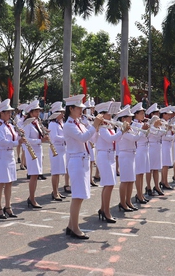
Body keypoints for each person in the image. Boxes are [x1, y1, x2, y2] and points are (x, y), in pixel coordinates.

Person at [62, 94, 102, 240]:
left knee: (80, 195)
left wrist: (97, 129)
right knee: (77, 196)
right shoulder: (68, 125)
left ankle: (70, 225)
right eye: (79, 108)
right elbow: (83, 138)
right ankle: (75, 228)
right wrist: (94, 125)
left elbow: (92, 139)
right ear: (71, 108)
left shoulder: (78, 123)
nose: (81, 111)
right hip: (76, 161)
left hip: (83, 160)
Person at [0, 99, 23, 219]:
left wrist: (20, 135)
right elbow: (2, 141)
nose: (10, 115)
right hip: (2, 155)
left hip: (9, 155)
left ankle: (8, 206)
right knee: (1, 182)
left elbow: (14, 137)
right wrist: (17, 142)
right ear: (2, 113)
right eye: (8, 113)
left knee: (9, 182)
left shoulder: (9, 125)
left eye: (10, 113)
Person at [95, 101, 121, 222]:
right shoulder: (101, 128)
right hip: (104, 155)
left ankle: (103, 209)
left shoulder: (108, 127)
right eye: (108, 114)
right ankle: (106, 211)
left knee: (109, 184)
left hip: (110, 155)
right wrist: (122, 131)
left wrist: (122, 131)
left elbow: (116, 139)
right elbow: (110, 139)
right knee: (108, 184)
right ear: (102, 115)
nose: (110, 116)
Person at [22, 99, 49, 209]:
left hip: (38, 149)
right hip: (31, 151)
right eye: (36, 111)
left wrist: (45, 132)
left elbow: (38, 134)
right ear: (31, 112)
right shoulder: (28, 124)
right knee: (33, 175)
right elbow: (27, 139)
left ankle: (32, 197)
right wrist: (41, 141)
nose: (38, 113)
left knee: (36, 175)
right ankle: (31, 198)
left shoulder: (36, 122)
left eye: (39, 111)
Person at [47, 101, 67, 201]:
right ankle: (54, 192)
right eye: (61, 112)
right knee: (55, 172)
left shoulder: (60, 123)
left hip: (62, 149)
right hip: (56, 149)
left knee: (59, 172)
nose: (63, 114)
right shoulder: (52, 124)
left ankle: (57, 191)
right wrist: (65, 138)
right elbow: (54, 137)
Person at [132, 102, 152, 200]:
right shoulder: (134, 124)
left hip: (145, 149)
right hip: (139, 149)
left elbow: (147, 136)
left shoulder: (141, 123)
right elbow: (135, 137)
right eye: (141, 113)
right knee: (139, 173)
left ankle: (141, 194)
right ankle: (138, 194)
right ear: (136, 114)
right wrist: (143, 130)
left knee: (142, 173)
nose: (143, 115)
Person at [145, 103, 164, 195]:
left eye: (158, 113)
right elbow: (152, 134)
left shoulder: (159, 125)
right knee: (150, 169)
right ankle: (148, 187)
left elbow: (163, 134)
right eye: (156, 113)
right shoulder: (149, 126)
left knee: (156, 168)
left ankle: (156, 186)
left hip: (157, 147)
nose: (158, 115)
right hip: (151, 147)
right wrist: (156, 127)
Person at [159, 106, 175, 190]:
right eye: (168, 114)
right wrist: (173, 136)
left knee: (167, 164)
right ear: (163, 114)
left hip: (168, 144)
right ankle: (164, 182)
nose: (169, 116)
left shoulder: (168, 122)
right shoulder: (162, 123)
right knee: (165, 165)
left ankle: (164, 180)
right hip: (164, 144)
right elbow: (163, 136)